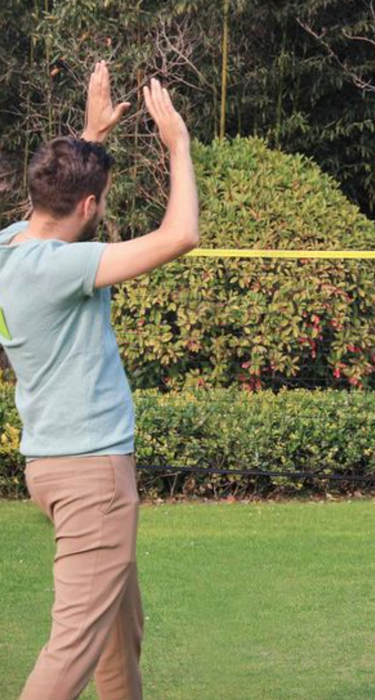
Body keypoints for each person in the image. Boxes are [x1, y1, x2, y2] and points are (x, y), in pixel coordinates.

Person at [0, 61, 199, 700]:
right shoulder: (60, 269)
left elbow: (61, 198)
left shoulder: (10, 248)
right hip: (91, 474)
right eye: (99, 201)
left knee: (119, 631)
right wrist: (178, 146)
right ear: (89, 206)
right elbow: (182, 235)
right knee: (73, 649)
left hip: (54, 466)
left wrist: (91, 134)